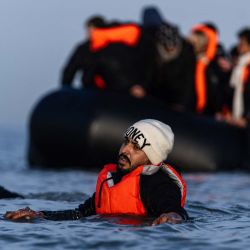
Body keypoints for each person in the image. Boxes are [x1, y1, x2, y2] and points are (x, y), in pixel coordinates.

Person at [4, 119, 188, 225]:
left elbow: (174, 209)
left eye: (136, 147)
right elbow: (80, 213)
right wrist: (40, 215)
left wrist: (172, 216)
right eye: (126, 142)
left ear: (151, 158)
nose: (125, 150)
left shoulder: (157, 182)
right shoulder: (114, 178)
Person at [61, 15, 107, 88]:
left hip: (105, 91)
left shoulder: (112, 47)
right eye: (88, 30)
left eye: (91, 30)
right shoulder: (83, 48)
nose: (88, 33)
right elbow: (69, 70)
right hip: (91, 89)